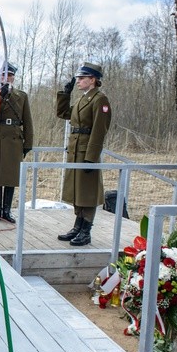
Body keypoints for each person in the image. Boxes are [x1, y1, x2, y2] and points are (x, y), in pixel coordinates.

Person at [55, 62, 111, 246]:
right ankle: (77, 227)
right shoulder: (82, 99)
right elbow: (63, 113)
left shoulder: (99, 99)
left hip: (86, 151)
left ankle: (86, 230)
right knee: (77, 191)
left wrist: (91, 157)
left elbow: (99, 130)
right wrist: (65, 94)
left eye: (82, 78)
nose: (78, 81)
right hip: (75, 150)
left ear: (93, 80)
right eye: (77, 78)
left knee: (87, 192)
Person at [0, 63, 34, 224]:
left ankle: (7, 210)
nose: (6, 78)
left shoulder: (21, 96)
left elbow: (28, 121)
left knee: (10, 176)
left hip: (14, 138)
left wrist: (28, 143)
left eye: (9, 75)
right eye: (3, 75)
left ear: (13, 77)